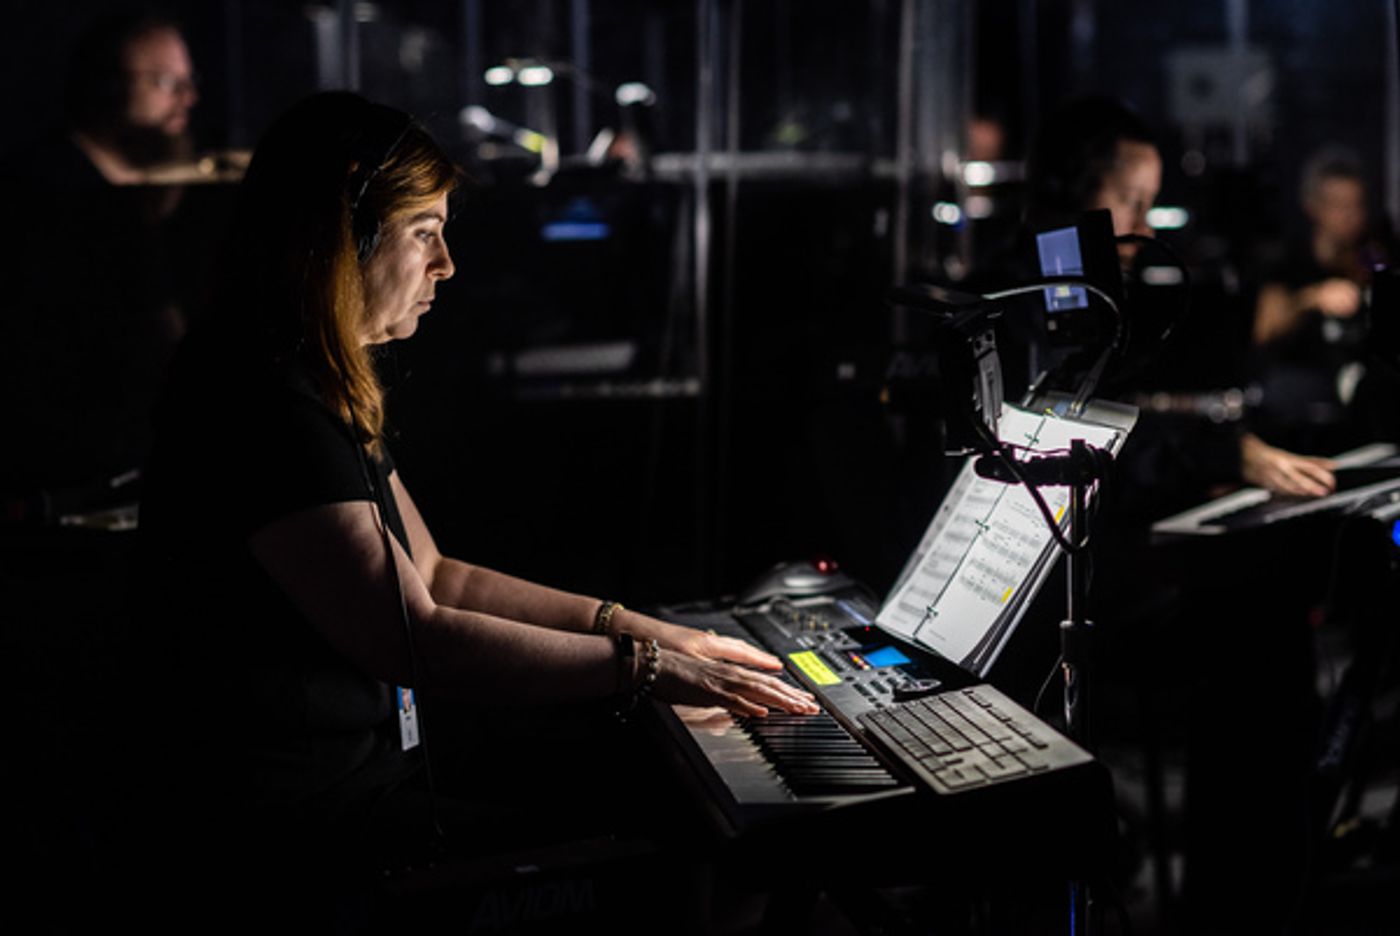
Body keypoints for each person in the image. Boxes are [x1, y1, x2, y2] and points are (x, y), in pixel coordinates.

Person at [135, 91, 816, 921]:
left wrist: (647, 631)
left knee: (657, 797)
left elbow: (436, 577)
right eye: (424, 231)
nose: (447, 264)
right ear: (344, 237)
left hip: (360, 792)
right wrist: (645, 669)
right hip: (299, 844)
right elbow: (414, 636)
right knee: (686, 860)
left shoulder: (303, 380)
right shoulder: (263, 405)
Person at [1252, 147, 1391, 453]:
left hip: (1360, 391)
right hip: (1301, 394)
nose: (1349, 216)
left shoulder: (1371, 256)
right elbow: (1264, 327)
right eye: (1338, 205)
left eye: (1356, 205)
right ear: (1313, 205)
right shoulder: (1290, 259)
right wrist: (1312, 298)